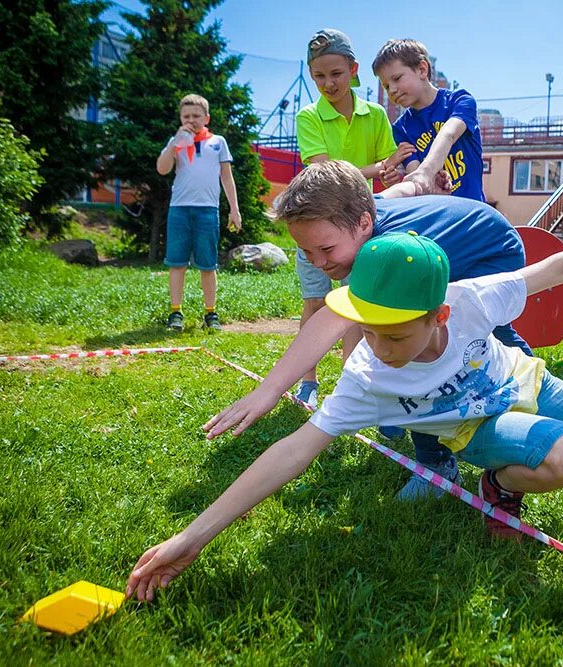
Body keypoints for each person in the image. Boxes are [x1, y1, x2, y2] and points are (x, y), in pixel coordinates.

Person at [126, 232, 563, 601]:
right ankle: (497, 484)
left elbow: (551, 270)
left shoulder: (470, 301)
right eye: (366, 329)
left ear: (439, 315)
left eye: (393, 334)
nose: (374, 346)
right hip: (477, 429)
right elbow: (292, 452)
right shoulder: (366, 379)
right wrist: (190, 539)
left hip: (527, 382)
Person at [204, 160, 534, 502]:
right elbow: (399, 193)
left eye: (326, 250)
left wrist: (269, 391)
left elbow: (332, 319)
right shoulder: (359, 220)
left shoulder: (388, 248)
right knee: (417, 342)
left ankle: (438, 461)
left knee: (427, 347)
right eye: (306, 252)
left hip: (490, 253)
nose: (318, 263)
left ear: (364, 223)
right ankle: (414, 415)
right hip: (468, 237)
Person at [293, 28, 414, 409]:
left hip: (359, 229)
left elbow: (389, 166)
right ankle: (308, 381)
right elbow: (325, 172)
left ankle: (350, 384)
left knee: (356, 306)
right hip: (316, 226)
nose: (328, 83)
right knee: (315, 303)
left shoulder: (376, 115)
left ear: (353, 70)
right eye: (319, 76)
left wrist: (390, 172)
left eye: (336, 74)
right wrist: (378, 168)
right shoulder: (308, 116)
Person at [156, 93, 241, 332]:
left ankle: (210, 313)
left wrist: (234, 209)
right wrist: (175, 143)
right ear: (180, 118)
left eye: (196, 115)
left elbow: (227, 176)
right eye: (186, 116)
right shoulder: (177, 141)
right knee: (177, 263)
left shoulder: (218, 142)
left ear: (207, 118)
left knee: (208, 264)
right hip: (179, 210)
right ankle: (175, 312)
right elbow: (162, 169)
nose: (191, 120)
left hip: (207, 210)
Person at [372, 39, 484, 200]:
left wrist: (426, 172)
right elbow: (417, 177)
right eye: (386, 86)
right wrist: (401, 181)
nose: (392, 90)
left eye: (397, 78)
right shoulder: (401, 129)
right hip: (436, 215)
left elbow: (448, 134)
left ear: (422, 69)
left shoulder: (460, 101)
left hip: (473, 212)